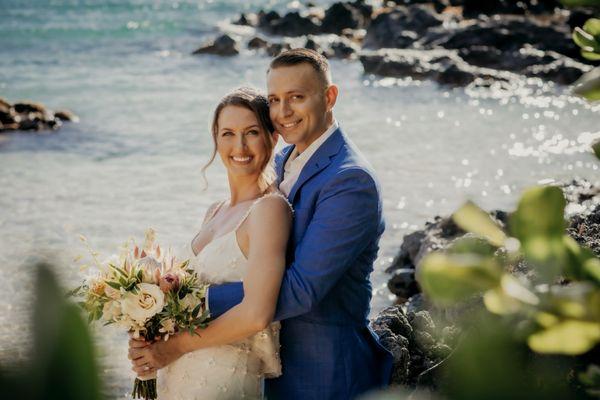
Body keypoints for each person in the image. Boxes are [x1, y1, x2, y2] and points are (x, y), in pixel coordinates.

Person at [208, 49, 393, 399]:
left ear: (330, 97)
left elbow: (300, 289)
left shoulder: (350, 180)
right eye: (275, 100)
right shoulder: (280, 159)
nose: (283, 113)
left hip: (324, 373)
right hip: (268, 366)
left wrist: (195, 301)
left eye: (296, 98)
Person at [128, 87, 293, 399]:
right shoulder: (214, 211)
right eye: (228, 133)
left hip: (221, 378)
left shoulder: (270, 209)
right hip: (180, 372)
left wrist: (171, 348)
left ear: (273, 137)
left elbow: (257, 314)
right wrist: (148, 337)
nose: (239, 145)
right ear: (216, 140)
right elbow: (193, 300)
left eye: (252, 132)